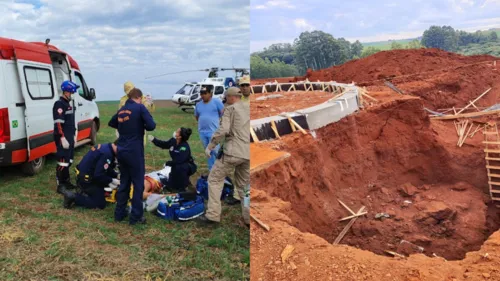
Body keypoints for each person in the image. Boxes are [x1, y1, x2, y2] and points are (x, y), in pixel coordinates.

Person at [196, 87, 250, 226]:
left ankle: (212, 216)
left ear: (232, 97)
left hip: (233, 151)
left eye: (226, 97)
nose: (225, 100)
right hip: (247, 153)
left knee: (214, 179)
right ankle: (249, 217)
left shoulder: (230, 109)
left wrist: (211, 145)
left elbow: (224, 129)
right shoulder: (248, 107)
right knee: (245, 187)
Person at [109, 88, 156, 225]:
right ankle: (136, 216)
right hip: (135, 151)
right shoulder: (140, 108)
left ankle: (119, 213)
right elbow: (151, 126)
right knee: (138, 184)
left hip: (122, 151)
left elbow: (112, 123)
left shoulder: (122, 109)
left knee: (124, 182)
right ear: (139, 98)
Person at [62, 142, 120, 209]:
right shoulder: (107, 154)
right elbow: (98, 175)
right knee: (99, 204)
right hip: (87, 180)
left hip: (86, 175)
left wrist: (116, 175)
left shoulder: (107, 147)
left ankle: (86, 191)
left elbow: (106, 168)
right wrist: (111, 180)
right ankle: (74, 197)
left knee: (105, 188)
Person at [148, 127, 196, 192]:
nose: (175, 132)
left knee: (179, 167)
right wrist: (154, 140)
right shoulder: (173, 141)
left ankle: (184, 185)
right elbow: (164, 144)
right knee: (171, 184)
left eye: (177, 132)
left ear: (180, 137)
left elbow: (179, 160)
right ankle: (174, 184)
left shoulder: (184, 147)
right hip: (176, 165)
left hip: (186, 166)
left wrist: (168, 163)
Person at [53, 80, 79, 194]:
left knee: (69, 160)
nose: (71, 95)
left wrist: (74, 134)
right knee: (62, 161)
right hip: (63, 138)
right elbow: (58, 123)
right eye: (71, 93)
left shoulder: (68, 104)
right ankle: (60, 184)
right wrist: (62, 137)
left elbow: (71, 122)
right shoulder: (59, 104)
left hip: (69, 136)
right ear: (66, 92)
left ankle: (66, 181)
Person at [194, 87, 224, 171]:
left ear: (210, 94)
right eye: (201, 94)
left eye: (204, 93)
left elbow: (223, 113)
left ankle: (220, 169)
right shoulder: (198, 104)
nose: (202, 95)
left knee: (215, 151)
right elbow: (197, 116)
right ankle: (212, 170)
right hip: (202, 132)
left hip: (213, 131)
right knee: (208, 152)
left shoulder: (216, 102)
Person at [118, 81, 152, 146]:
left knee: (140, 144)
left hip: (138, 124)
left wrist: (150, 103)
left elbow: (147, 109)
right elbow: (119, 113)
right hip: (126, 125)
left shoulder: (141, 97)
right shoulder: (123, 99)